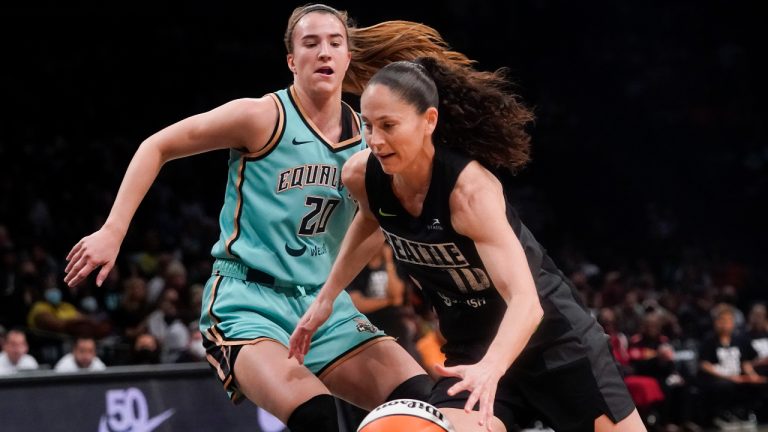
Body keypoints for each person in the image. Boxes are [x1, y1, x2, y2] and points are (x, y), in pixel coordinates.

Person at [63, 4, 473, 431]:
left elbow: (376, 225)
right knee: (317, 415)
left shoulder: (370, 141)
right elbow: (158, 145)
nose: (324, 52)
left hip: (320, 304)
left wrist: (336, 284)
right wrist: (113, 229)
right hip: (246, 301)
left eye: (335, 43)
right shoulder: (261, 117)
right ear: (292, 61)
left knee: (421, 404)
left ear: (348, 58)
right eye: (310, 44)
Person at [289, 57, 646, 432]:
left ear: (429, 120)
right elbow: (370, 220)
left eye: (389, 126)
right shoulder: (362, 175)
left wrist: (493, 368)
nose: (376, 140)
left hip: (556, 346)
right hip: (473, 351)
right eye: (368, 126)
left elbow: (527, 304)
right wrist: (326, 298)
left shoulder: (469, 193)